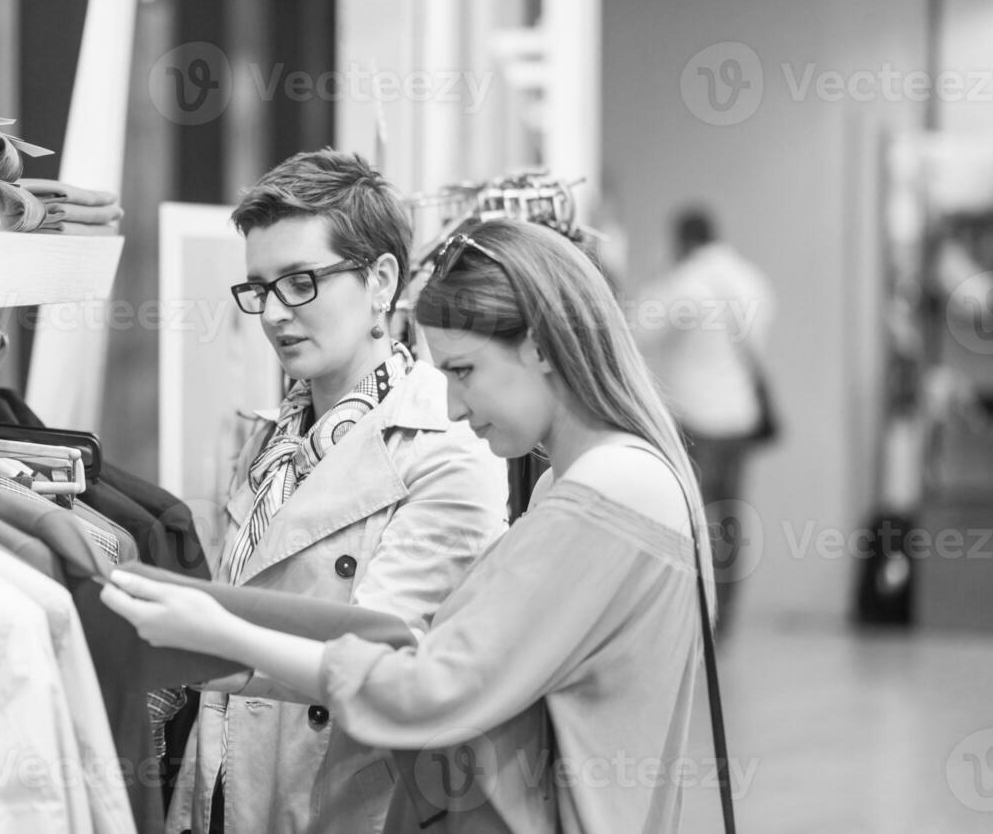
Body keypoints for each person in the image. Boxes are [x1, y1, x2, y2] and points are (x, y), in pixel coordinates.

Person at [104, 218, 717, 833]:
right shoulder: (595, 479)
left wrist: (227, 637)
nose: (450, 404)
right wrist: (220, 646)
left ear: (540, 346)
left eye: (464, 371)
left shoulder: (603, 494)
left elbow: (433, 686)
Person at [162, 150, 508, 834]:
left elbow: (385, 663)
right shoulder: (271, 436)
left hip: (342, 803)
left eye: (299, 282)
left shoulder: (444, 450)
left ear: (380, 281)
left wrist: (201, 643)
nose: (273, 314)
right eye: (259, 287)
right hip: (224, 789)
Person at [635, 207, 775, 634]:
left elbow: (636, 328)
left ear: (681, 240)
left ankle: (690, 616)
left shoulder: (686, 283)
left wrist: (661, 273)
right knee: (729, 522)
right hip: (740, 420)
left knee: (688, 521)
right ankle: (723, 621)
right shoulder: (753, 280)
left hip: (696, 419)